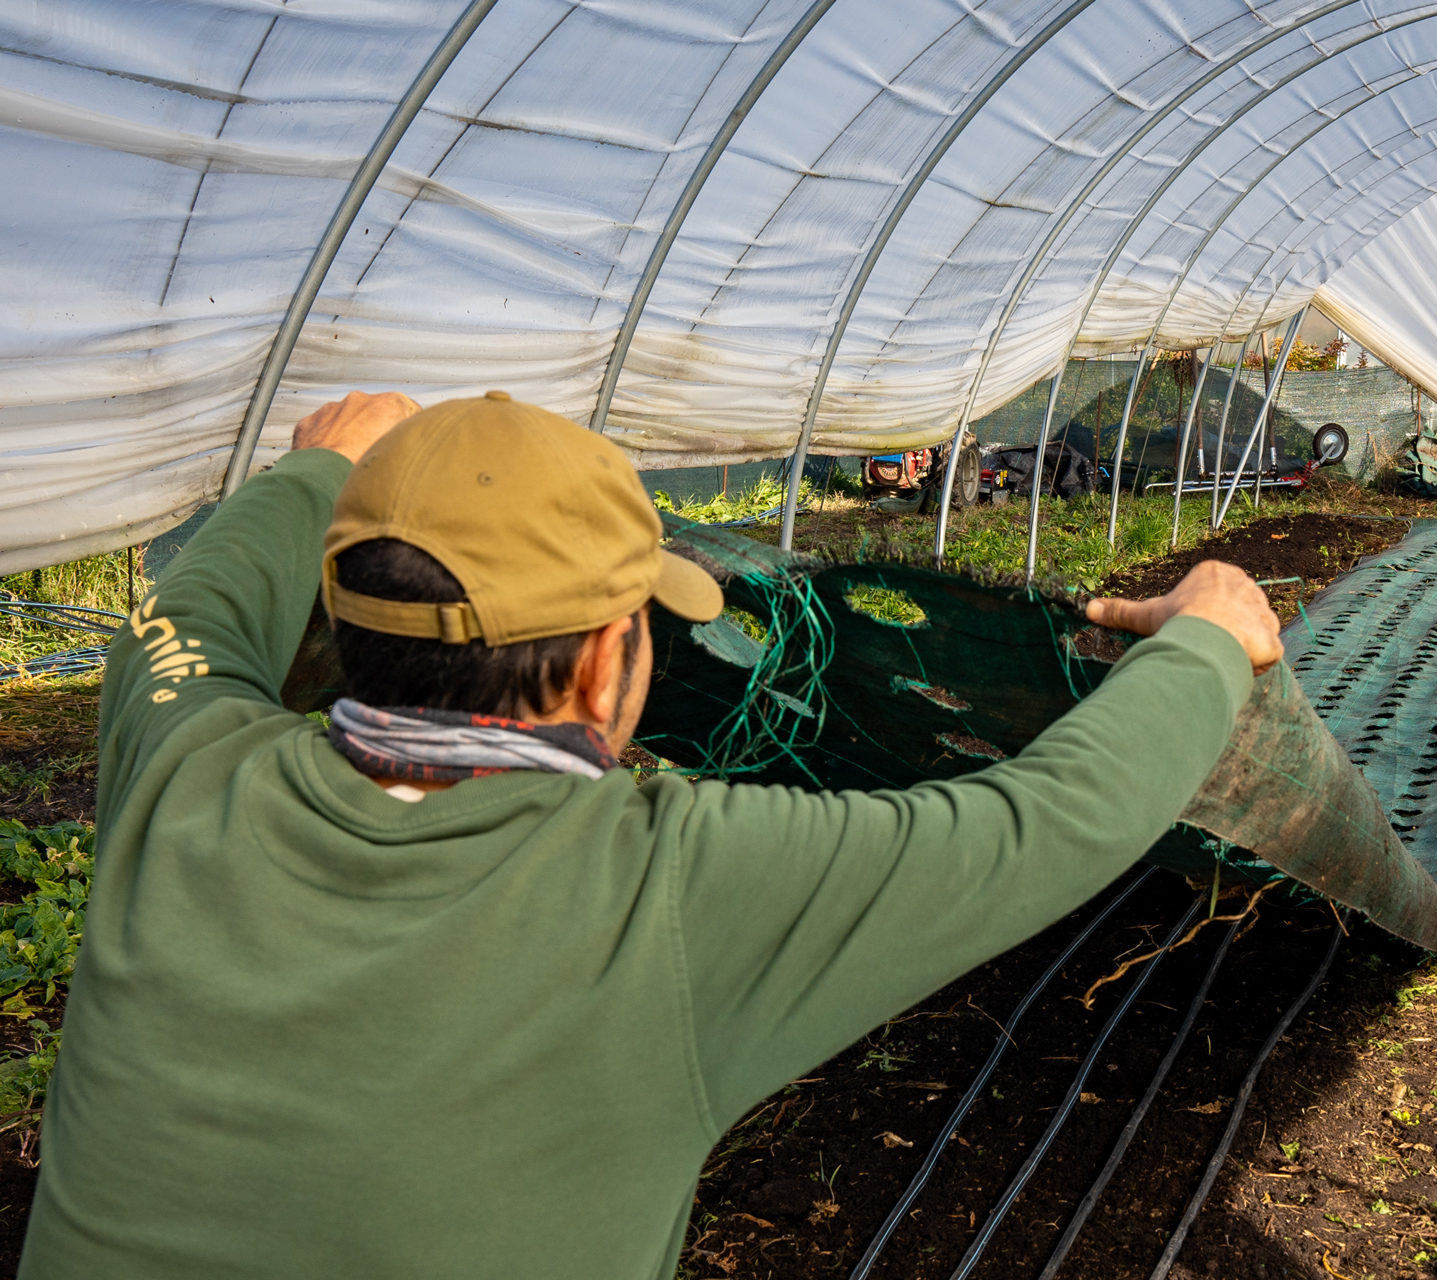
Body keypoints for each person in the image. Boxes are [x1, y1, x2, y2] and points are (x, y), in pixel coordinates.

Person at [22, 390, 1282, 1279]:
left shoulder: (182, 772)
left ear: (345, 625)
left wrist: (314, 472)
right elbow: (1048, 818)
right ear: (604, 664)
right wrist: (1212, 632)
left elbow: (182, 623)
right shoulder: (671, 887)